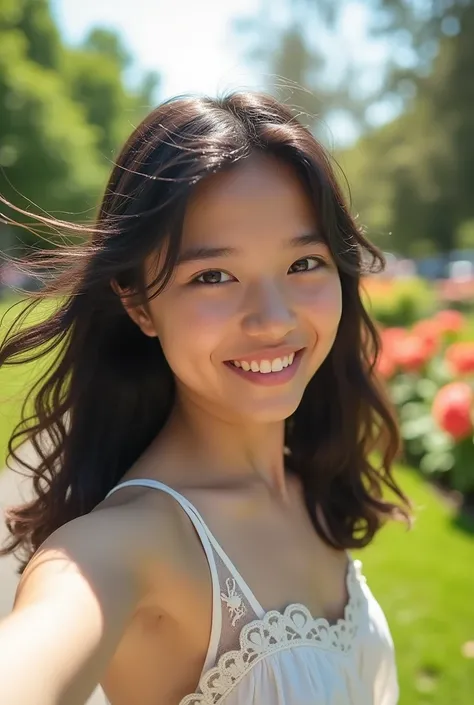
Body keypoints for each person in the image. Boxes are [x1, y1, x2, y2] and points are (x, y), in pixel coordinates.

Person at [0, 91, 412, 705]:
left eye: (304, 262)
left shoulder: (309, 486)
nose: (273, 321)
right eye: (213, 276)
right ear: (139, 303)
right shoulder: (120, 549)